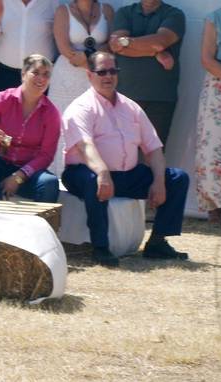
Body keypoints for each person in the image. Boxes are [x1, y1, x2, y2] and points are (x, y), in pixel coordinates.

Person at [61, 51, 189, 267]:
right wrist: (102, 173)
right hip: (83, 173)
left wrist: (159, 182)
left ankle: (157, 242)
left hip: (125, 175)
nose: (108, 76)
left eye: (112, 71)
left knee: (177, 178)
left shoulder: (131, 108)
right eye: (102, 72)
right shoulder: (80, 108)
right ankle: (100, 248)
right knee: (94, 181)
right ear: (89, 75)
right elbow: (86, 147)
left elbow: (154, 149)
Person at [0, 54, 60, 203]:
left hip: (27, 173)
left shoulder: (51, 113)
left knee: (49, 183)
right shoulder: (3, 99)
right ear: (23, 74)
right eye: (35, 73)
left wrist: (18, 177)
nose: (41, 78)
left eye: (46, 75)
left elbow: (46, 155)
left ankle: (39, 226)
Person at [49, 0, 113, 175]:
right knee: (63, 122)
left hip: (96, 76)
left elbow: (111, 44)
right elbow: (64, 48)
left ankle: (92, 172)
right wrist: (92, 58)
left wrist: (87, 57)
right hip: (67, 78)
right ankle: (59, 172)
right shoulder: (63, 11)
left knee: (94, 122)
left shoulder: (106, 10)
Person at [109, 0, 185, 147]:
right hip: (124, 98)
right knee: (121, 154)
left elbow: (160, 41)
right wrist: (155, 53)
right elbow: (114, 45)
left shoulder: (174, 14)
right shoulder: (125, 13)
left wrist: (126, 43)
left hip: (160, 99)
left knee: (154, 155)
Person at [195, 1, 221, 226]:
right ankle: (216, 207)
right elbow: (207, 59)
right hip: (220, 86)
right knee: (214, 146)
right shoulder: (214, 18)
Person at [0, 0, 58, 92]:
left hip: (42, 76)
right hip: (8, 75)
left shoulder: (51, 2)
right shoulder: (2, 2)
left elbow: (61, 34)